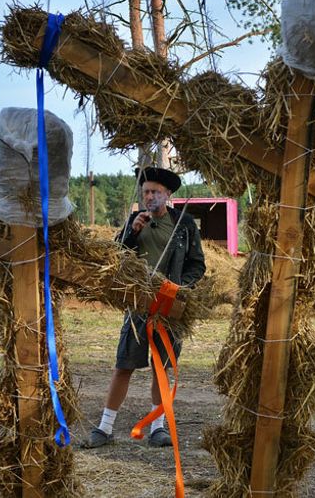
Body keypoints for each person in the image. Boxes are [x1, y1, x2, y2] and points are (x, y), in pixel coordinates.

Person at [82, 166, 206, 448]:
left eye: (155, 192)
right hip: (138, 305)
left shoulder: (184, 224)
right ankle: (105, 428)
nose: (149, 197)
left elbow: (197, 265)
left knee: (161, 368)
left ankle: (157, 428)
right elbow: (116, 257)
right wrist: (132, 233)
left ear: (168, 194)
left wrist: (178, 287)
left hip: (170, 307)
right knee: (124, 365)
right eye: (146, 192)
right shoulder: (134, 221)